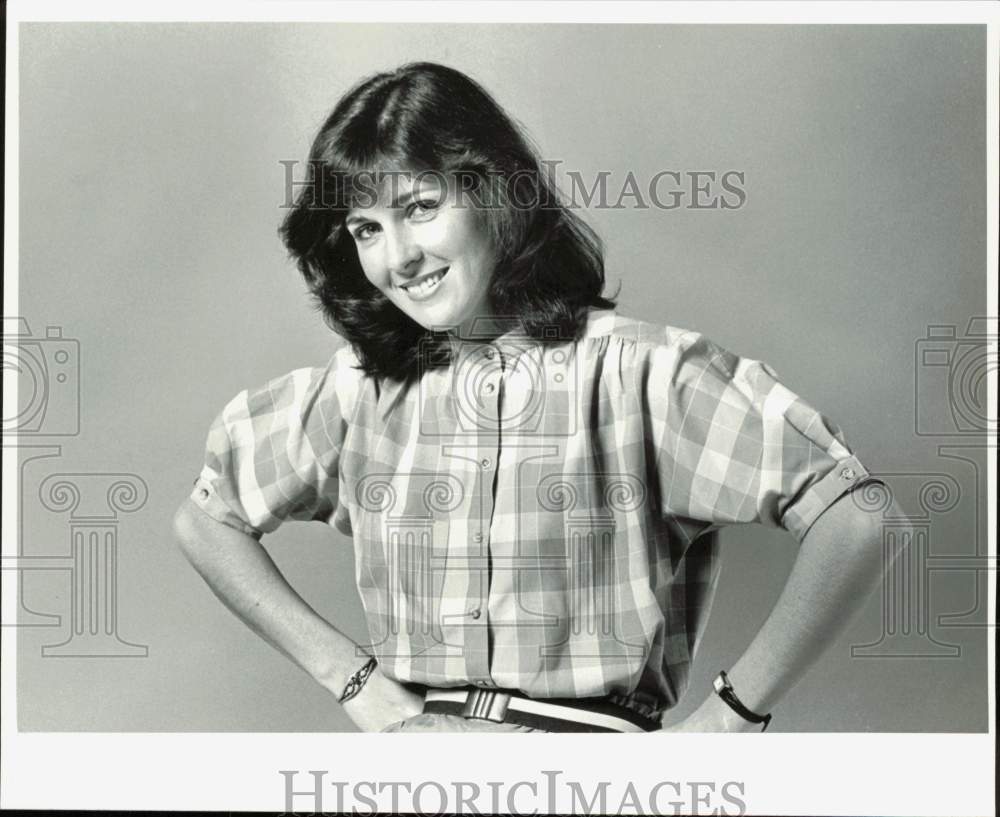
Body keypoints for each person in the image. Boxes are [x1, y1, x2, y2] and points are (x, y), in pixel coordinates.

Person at [172, 61, 900, 734]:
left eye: (421, 206)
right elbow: (208, 522)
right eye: (368, 228)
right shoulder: (361, 393)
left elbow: (860, 515)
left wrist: (730, 717)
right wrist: (358, 683)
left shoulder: (644, 373)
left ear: (493, 191)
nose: (398, 257)